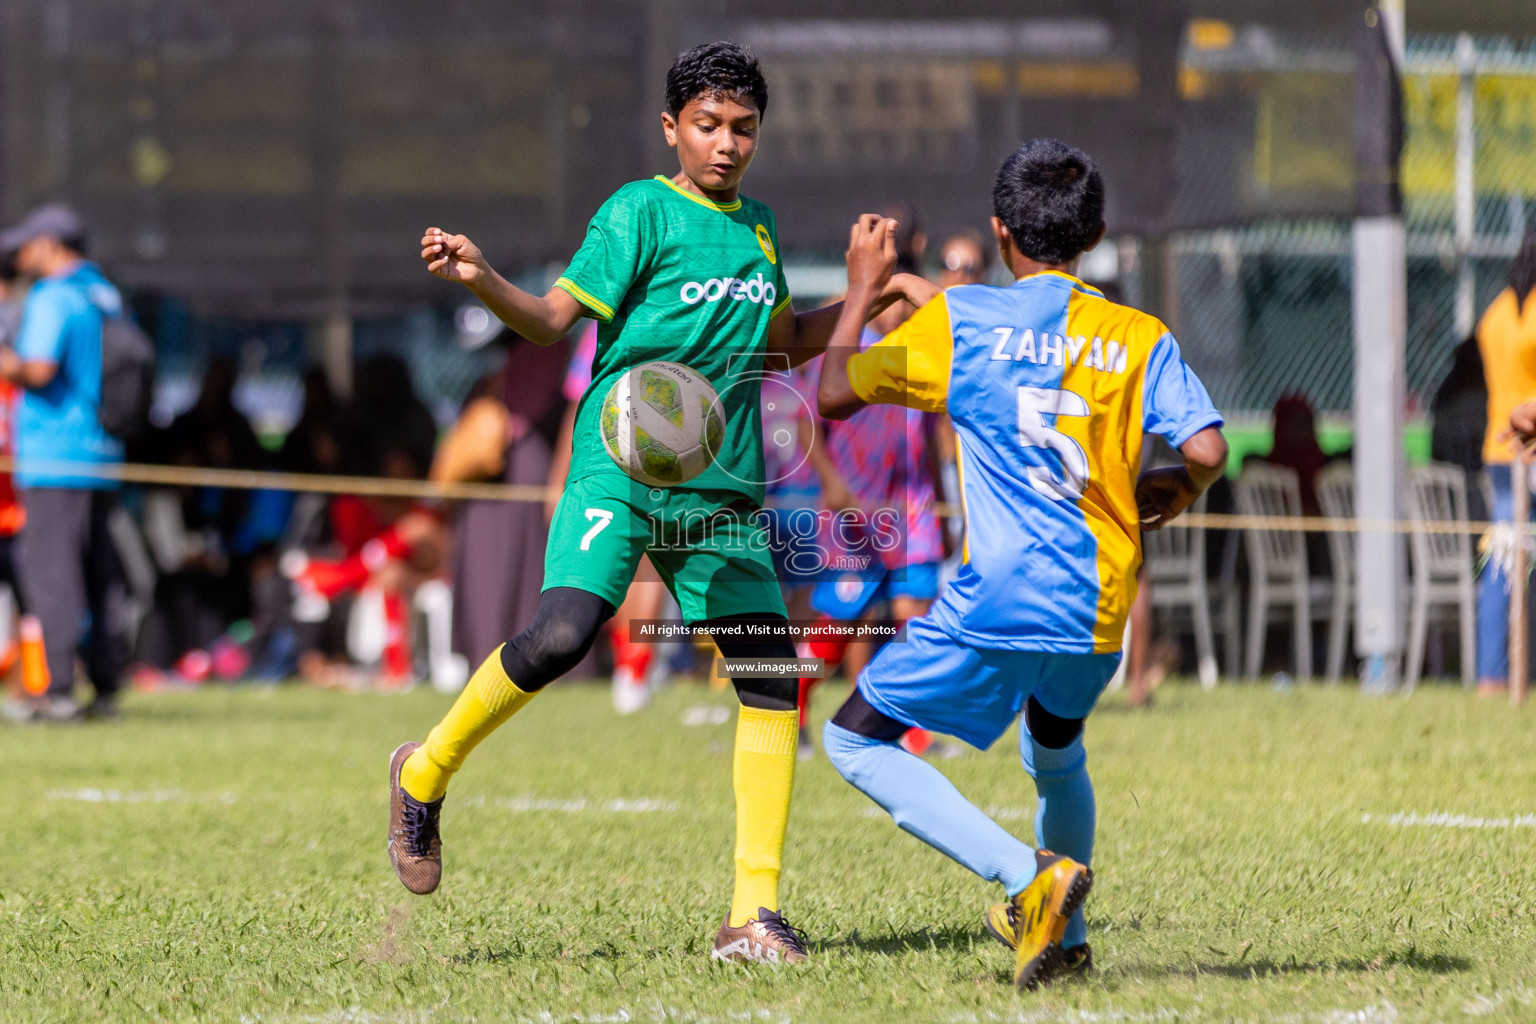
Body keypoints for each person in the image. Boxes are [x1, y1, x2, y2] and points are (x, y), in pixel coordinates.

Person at [385, 41, 929, 963]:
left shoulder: (757, 227)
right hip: (620, 465)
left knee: (771, 677)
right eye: (709, 126)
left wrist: (863, 300)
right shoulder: (638, 210)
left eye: (744, 128)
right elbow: (555, 319)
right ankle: (425, 771)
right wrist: (480, 277)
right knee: (562, 635)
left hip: (716, 486)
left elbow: (783, 343)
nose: (726, 144)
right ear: (671, 127)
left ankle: (752, 916)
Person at [815, 140, 1227, 990]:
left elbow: (832, 392)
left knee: (852, 738)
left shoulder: (963, 324)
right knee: (1055, 748)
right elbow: (1208, 446)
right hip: (1101, 602)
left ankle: (1027, 876)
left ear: (1001, 231)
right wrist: (1180, 489)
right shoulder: (1138, 334)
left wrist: (863, 287)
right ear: (1099, 234)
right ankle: (1064, 934)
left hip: (1001, 597)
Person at [0, 204, 130, 722]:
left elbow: (37, 369)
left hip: (56, 455)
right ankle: (106, 685)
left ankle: (53, 691)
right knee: (101, 573)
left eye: (28, 246)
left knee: (52, 574)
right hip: (102, 453)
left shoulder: (54, 295)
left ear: (51, 245)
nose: (23, 256)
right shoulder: (105, 293)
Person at [1476, 225, 1536, 697]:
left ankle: (1491, 674)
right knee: (1509, 561)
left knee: (1501, 561)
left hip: (1499, 451)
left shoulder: (1497, 311)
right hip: (1528, 445)